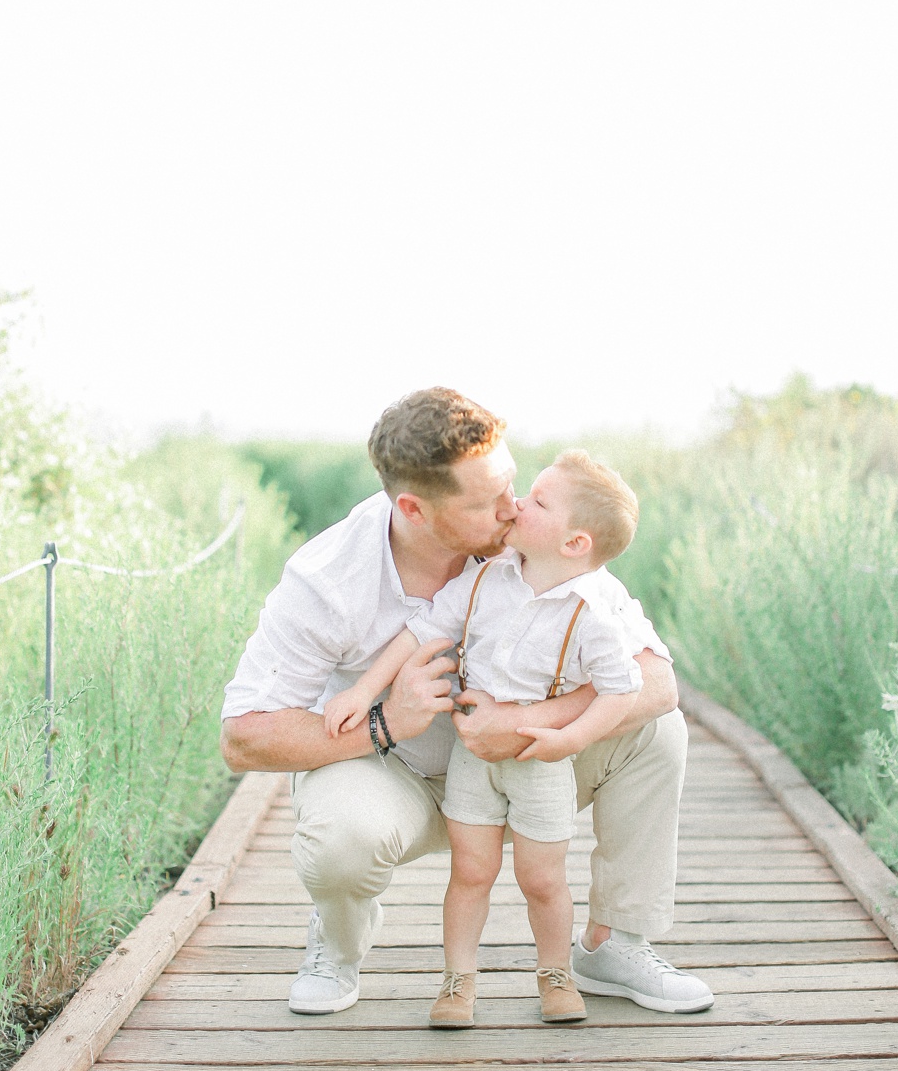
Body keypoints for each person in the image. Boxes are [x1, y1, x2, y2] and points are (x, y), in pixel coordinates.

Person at [220, 387, 714, 1019]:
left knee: (658, 731)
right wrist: (386, 722)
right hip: (399, 778)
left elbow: (655, 681)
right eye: (489, 502)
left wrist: (524, 722)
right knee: (341, 836)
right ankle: (337, 946)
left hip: (527, 768)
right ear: (414, 509)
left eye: (513, 486)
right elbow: (244, 738)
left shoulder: (531, 545)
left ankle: (614, 943)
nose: (513, 510)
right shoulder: (327, 580)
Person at [325, 450, 645, 1028]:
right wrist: (364, 691)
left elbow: (622, 690)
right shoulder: (486, 578)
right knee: (471, 873)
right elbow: (420, 632)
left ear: (575, 544)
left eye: (540, 501)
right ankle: (457, 981)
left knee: (541, 878)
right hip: (473, 757)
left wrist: (568, 738)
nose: (519, 502)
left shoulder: (594, 611)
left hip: (538, 761)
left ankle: (555, 973)